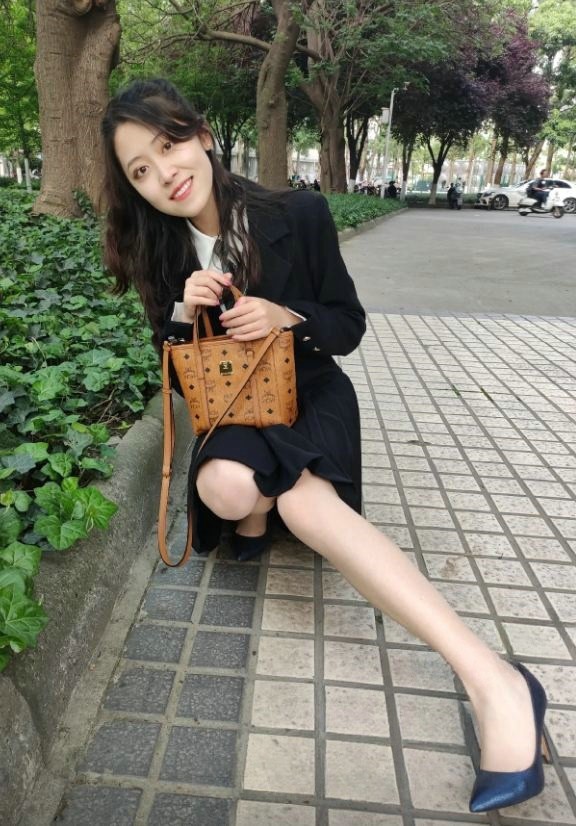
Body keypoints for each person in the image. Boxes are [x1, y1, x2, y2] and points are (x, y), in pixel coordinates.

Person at [101, 78, 548, 815]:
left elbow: (348, 326)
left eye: (169, 145)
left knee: (305, 507)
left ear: (203, 135)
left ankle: (496, 682)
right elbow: (179, 376)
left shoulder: (297, 213)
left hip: (309, 392)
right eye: (140, 170)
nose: (165, 174)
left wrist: (287, 316)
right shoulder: (160, 249)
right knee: (225, 490)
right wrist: (183, 316)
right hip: (238, 407)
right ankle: (256, 514)